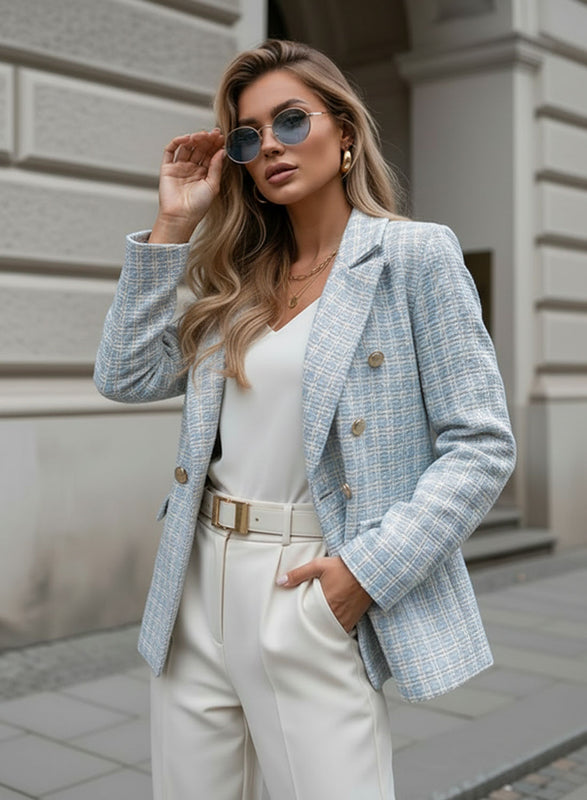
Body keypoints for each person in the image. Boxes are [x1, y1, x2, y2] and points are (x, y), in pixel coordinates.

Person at [94, 38, 516, 800]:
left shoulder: (411, 256)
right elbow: (124, 376)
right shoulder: (236, 278)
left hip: (308, 584)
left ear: (344, 131)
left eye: (292, 121)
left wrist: (364, 575)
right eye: (250, 137)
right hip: (196, 580)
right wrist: (170, 226)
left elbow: (480, 445)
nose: (271, 148)